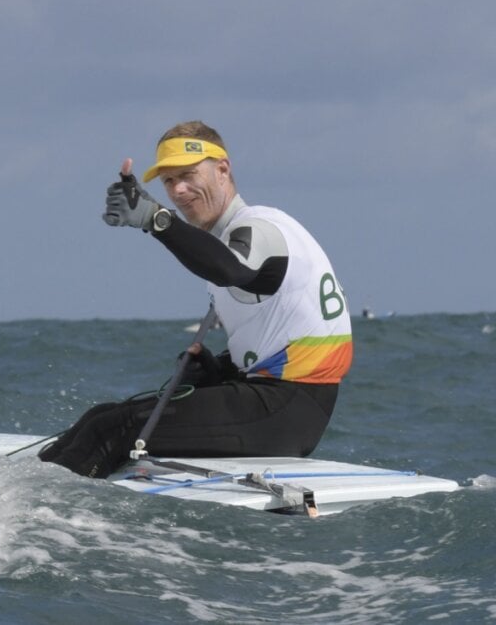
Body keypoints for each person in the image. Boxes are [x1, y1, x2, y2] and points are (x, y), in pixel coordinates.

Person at [40, 120, 353, 479]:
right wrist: (219, 369)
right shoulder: (235, 236)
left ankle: (34, 518)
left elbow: (230, 270)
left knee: (114, 430)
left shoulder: (260, 227)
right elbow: (275, 334)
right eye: (170, 181)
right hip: (273, 400)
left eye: (189, 175)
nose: (179, 190)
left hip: (287, 409)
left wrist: (157, 221)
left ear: (223, 170)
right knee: (102, 416)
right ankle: (22, 487)